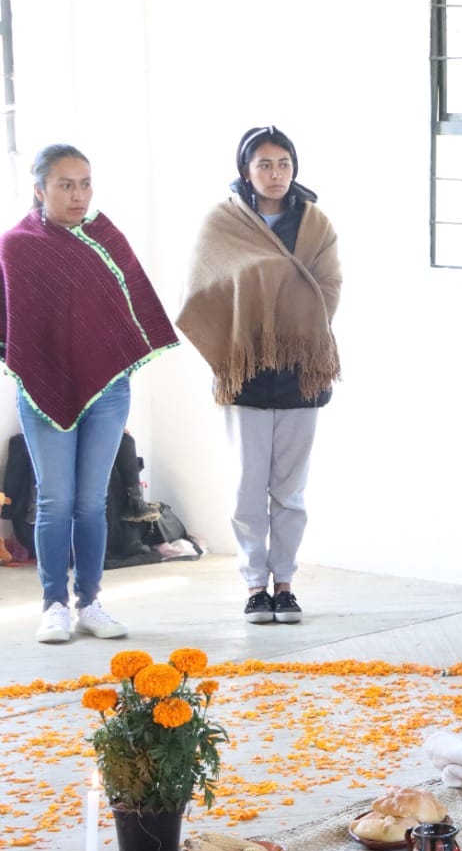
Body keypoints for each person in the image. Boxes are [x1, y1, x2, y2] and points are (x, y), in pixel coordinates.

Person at [0, 144, 179, 642]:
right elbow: (14, 324)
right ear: (40, 189)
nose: (78, 195)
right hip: (42, 391)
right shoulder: (17, 244)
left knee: (92, 502)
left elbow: (130, 303)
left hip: (108, 389)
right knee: (56, 500)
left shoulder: (105, 235)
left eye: (85, 183)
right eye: (65, 185)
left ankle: (92, 602)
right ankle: (54, 604)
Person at [179, 126, 342, 625]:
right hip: (245, 370)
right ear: (246, 170)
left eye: (284, 164)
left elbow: (329, 285)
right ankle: (255, 584)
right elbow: (204, 290)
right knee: (249, 486)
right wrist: (259, 316)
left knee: (290, 490)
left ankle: (286, 584)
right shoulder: (223, 223)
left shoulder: (314, 223)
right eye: (265, 165)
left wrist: (290, 315)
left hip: (302, 370)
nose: (276, 174)